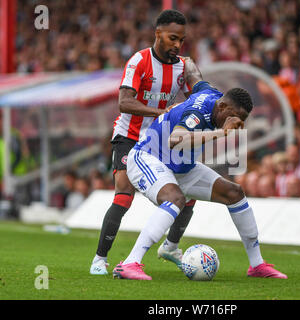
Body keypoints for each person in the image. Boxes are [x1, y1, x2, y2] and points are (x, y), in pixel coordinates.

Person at [112, 81, 287, 280]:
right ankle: (129, 263)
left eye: (241, 120)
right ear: (222, 107)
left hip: (181, 167)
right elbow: (176, 140)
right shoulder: (196, 114)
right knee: (175, 199)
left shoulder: (213, 94)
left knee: (234, 193)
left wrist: (187, 62)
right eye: (234, 117)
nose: (236, 123)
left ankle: (257, 265)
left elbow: (196, 79)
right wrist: (222, 132)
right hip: (149, 158)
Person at [90, 10, 202, 275]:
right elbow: (124, 102)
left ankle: (171, 246)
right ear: (158, 34)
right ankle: (100, 259)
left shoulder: (183, 67)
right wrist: (160, 112)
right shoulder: (139, 61)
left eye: (181, 40)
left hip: (160, 141)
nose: (177, 45)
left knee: (189, 192)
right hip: (129, 136)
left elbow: (196, 99)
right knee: (124, 193)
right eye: (173, 38)